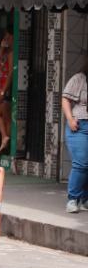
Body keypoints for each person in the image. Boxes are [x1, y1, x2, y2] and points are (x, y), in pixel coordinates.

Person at [62, 55, 88, 213]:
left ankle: (85, 199)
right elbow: (65, 99)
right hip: (80, 126)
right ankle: (72, 199)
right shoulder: (79, 78)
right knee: (81, 163)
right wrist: (70, 119)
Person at [0, 30, 13, 155]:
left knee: (6, 118)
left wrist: (4, 91)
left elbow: (10, 73)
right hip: (0, 89)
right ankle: (4, 138)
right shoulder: (6, 53)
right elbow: (0, 59)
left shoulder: (12, 54)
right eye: (5, 36)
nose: (6, 39)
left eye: (8, 37)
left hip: (5, 90)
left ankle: (5, 145)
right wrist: (1, 47)